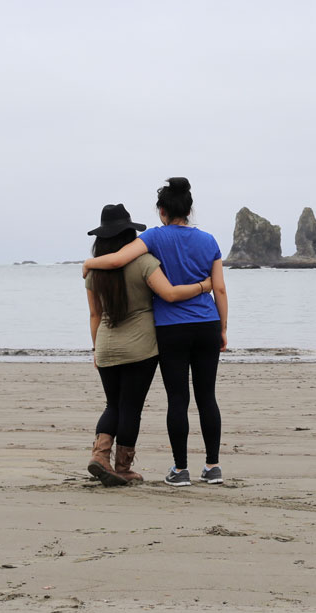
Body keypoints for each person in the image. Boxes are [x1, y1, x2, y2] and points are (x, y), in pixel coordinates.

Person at [83, 178, 228, 487]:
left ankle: (176, 469)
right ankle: (211, 466)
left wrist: (89, 263)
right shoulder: (200, 244)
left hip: (161, 332)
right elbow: (215, 290)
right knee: (205, 397)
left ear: (162, 210)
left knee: (169, 399)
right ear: (189, 209)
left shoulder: (147, 242)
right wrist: (222, 325)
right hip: (195, 327)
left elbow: (110, 279)